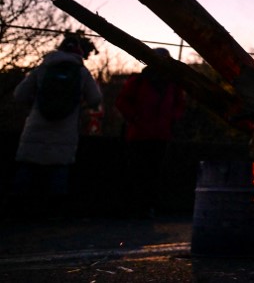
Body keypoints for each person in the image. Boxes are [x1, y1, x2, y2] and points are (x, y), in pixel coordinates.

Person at [9, 34, 103, 217]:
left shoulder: (43, 68)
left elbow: (19, 95)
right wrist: (78, 105)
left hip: (36, 128)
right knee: (58, 172)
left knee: (27, 170)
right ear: (80, 53)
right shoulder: (82, 72)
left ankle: (17, 212)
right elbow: (95, 99)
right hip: (65, 131)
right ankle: (53, 215)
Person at [115, 54, 186, 217]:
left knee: (146, 172)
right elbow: (179, 105)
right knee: (145, 171)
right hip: (149, 134)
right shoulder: (168, 83)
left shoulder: (148, 81)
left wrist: (134, 117)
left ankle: (142, 206)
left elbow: (122, 102)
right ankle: (143, 206)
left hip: (147, 133)